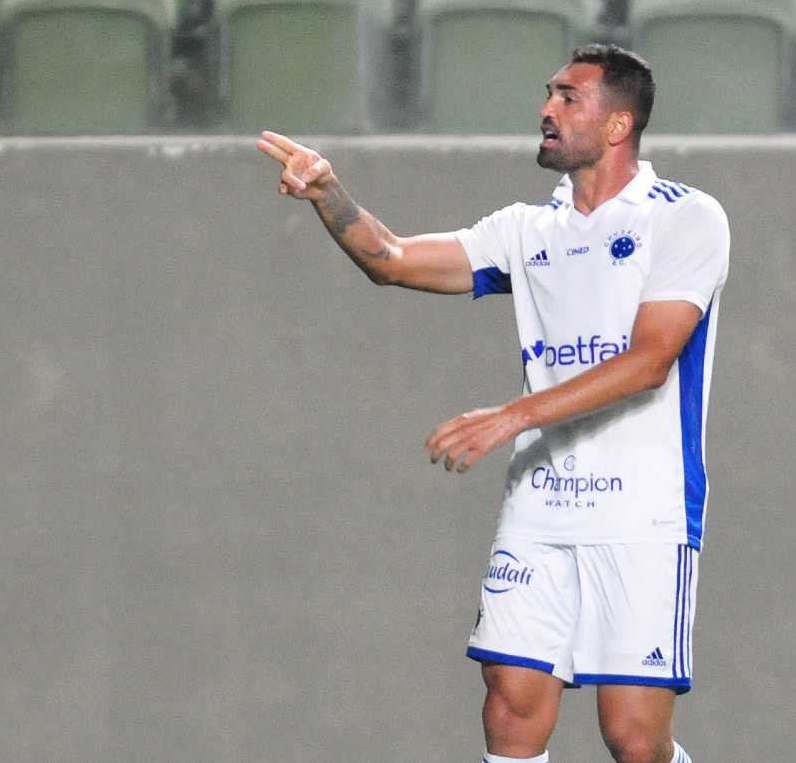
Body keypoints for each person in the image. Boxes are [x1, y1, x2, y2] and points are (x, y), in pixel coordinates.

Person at [256, 44, 729, 763]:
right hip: (540, 502)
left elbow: (648, 363)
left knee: (633, 738)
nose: (546, 109)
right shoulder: (525, 229)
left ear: (616, 125)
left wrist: (512, 416)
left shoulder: (685, 217)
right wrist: (329, 194)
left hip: (642, 508)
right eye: (548, 94)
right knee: (510, 704)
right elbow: (393, 260)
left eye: (569, 97)